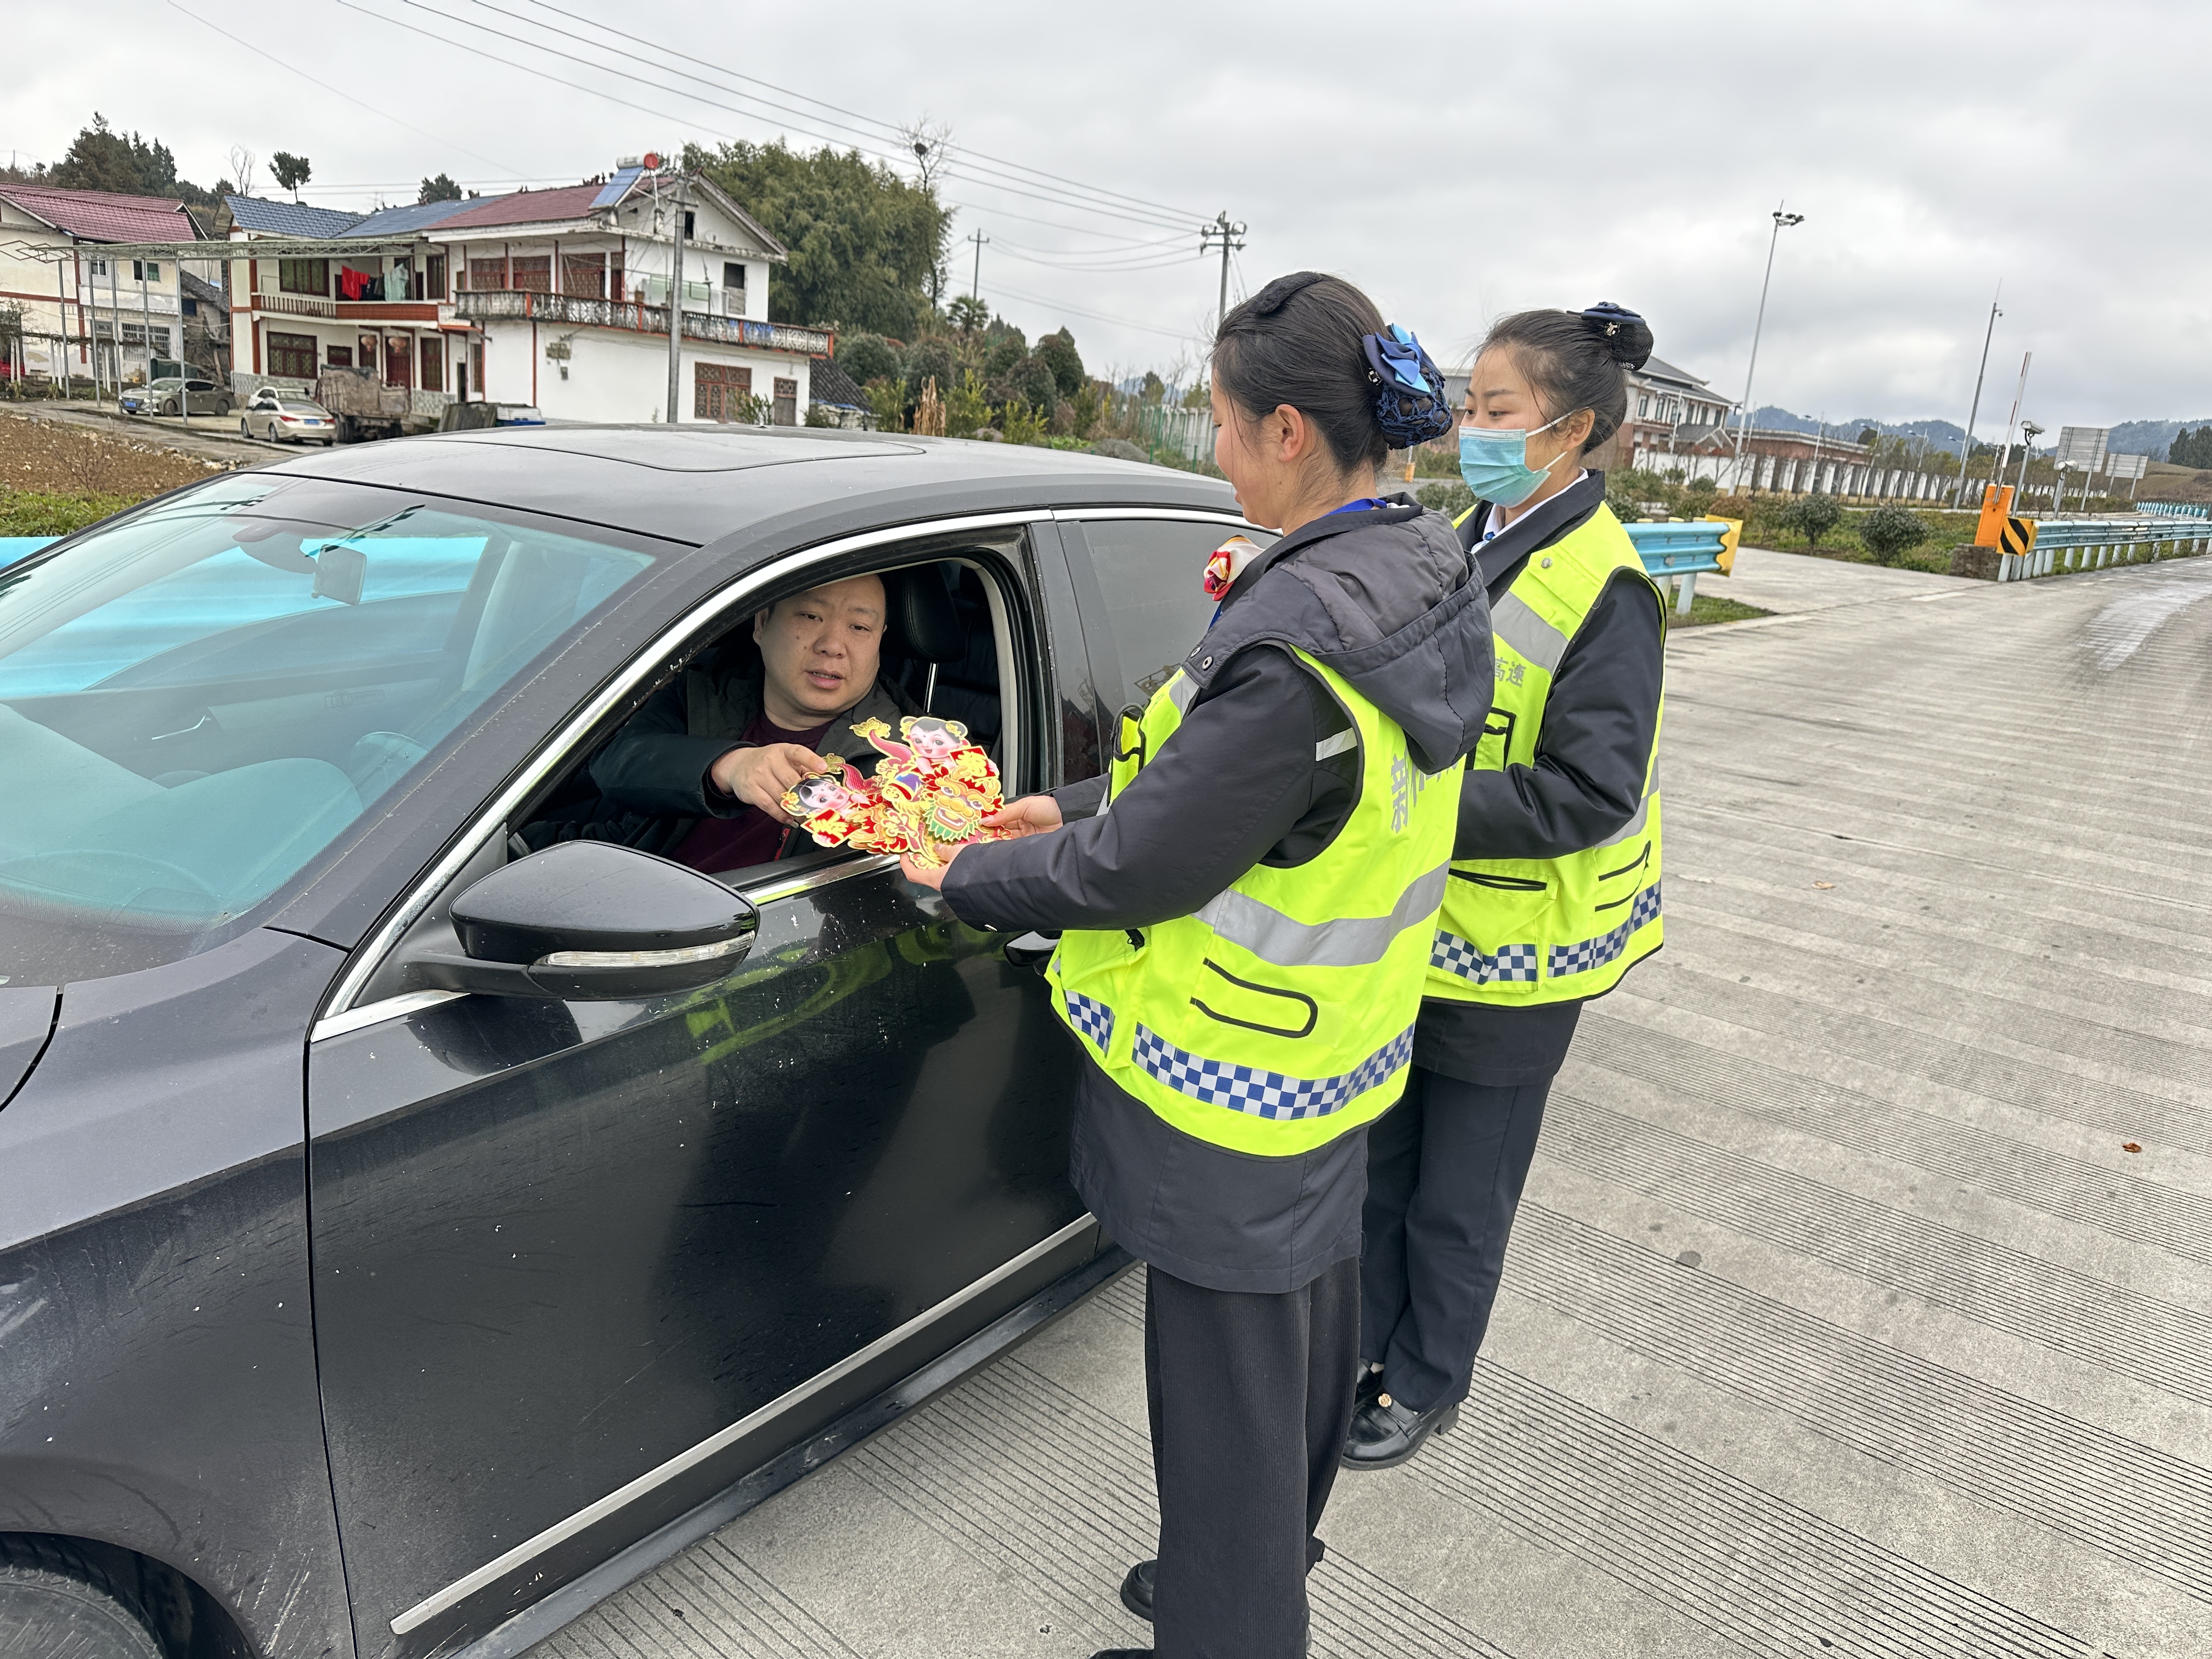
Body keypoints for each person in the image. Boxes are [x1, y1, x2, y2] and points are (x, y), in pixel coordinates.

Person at [902, 273, 1489, 1659]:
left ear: (1288, 431)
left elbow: (1141, 874)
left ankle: (1235, 1624)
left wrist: (964, 868)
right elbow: (1231, 806)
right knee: (1293, 1365)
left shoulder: (1296, 648)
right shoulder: (1410, 569)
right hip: (1331, 1056)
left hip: (1233, 1086)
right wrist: (1086, 803)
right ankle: (1257, 1573)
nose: (1209, 454)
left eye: (1218, 427)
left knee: (1222, 1400)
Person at [1343, 303, 1668, 1471]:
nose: (1468, 427)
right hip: (1419, 936)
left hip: (1517, 961)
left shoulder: (1608, 585)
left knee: (1459, 1198)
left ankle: (1427, 1383)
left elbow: (1590, 789)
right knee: (1382, 1169)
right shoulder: (1470, 533)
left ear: (1571, 430)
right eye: (1467, 405)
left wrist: (1412, 809)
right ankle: (1364, 1353)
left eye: (1495, 411)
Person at [530, 572, 907, 870]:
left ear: (880, 640)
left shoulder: (906, 760)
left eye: (859, 628)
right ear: (762, 623)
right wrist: (728, 766)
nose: (833, 645)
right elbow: (616, 764)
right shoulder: (705, 687)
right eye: (810, 616)